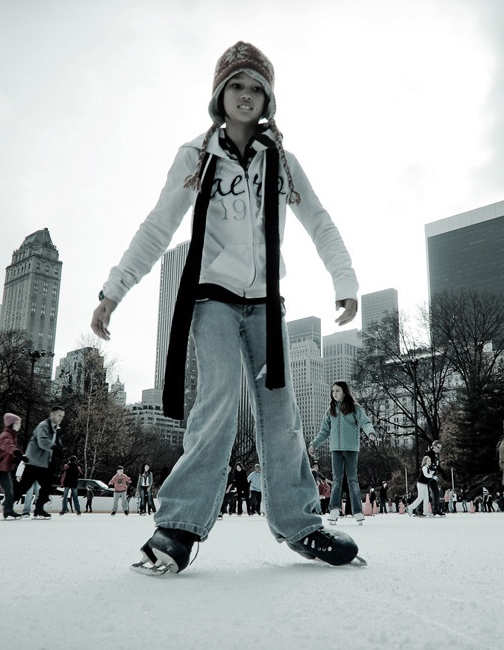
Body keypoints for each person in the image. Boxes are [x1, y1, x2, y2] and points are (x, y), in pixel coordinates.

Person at [91, 42, 362, 573]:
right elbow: (158, 226)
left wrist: (344, 278)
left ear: (268, 99)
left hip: (265, 303)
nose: (245, 95)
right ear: (219, 93)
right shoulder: (195, 156)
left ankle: (302, 524)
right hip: (212, 297)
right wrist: (114, 290)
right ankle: (178, 527)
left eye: (256, 87)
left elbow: (319, 220)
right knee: (216, 400)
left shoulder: (281, 162)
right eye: (236, 85)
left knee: (281, 413)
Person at [309, 382, 375, 525]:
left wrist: (370, 432)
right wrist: (314, 444)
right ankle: (334, 509)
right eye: (333, 391)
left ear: (344, 392)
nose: (334, 393)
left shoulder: (354, 408)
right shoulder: (331, 410)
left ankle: (357, 511)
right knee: (337, 480)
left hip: (351, 449)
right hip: (336, 450)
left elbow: (365, 422)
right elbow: (324, 431)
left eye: (337, 391)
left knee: (352, 479)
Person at [13, 406, 66, 520]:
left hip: (44, 462)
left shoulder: (54, 428)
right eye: (59, 415)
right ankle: (8, 503)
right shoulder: (43, 426)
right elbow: (42, 441)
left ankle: (39, 508)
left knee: (47, 486)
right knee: (25, 486)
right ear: (52, 414)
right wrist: (54, 448)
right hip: (34, 461)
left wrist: (58, 449)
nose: (61, 418)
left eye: (62, 416)